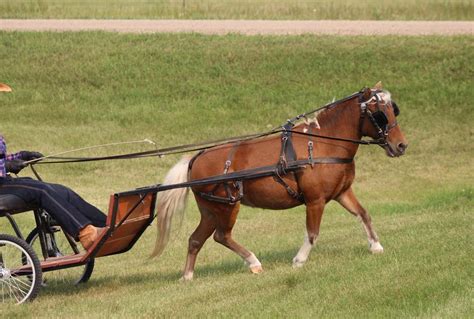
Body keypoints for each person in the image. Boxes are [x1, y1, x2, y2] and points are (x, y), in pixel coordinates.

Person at [0, 83, 106, 249]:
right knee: (42, 192)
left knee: (61, 190)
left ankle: (107, 225)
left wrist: (22, 155)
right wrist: (7, 165)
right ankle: (86, 234)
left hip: (5, 183)